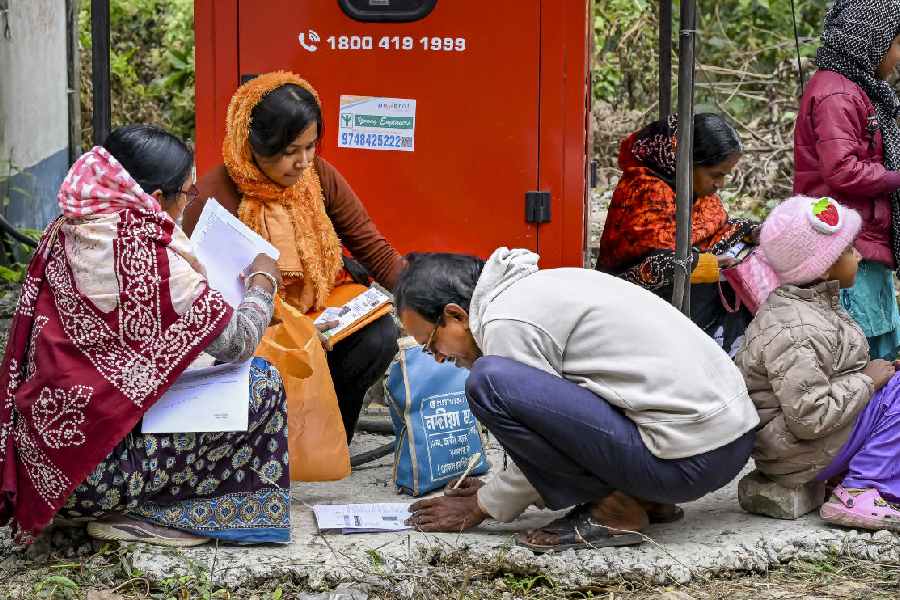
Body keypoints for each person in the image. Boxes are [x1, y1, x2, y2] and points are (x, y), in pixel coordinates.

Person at [0, 125, 290, 547]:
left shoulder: (68, 226)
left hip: (44, 464)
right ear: (155, 200)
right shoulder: (149, 262)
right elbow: (239, 341)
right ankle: (153, 514)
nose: (189, 203)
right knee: (262, 384)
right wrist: (263, 281)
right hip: (92, 478)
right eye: (187, 194)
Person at [395, 248, 758, 551]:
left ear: (455, 315)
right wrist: (502, 489)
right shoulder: (539, 287)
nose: (440, 358)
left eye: (431, 346)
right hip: (729, 444)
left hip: (687, 461)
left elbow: (546, 432)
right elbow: (564, 421)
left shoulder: (504, 323)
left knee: (488, 383)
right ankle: (642, 496)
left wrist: (484, 505)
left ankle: (615, 509)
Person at [187, 72, 403, 442]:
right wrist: (285, 328)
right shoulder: (212, 197)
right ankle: (264, 443)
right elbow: (205, 303)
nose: (303, 162)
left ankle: (328, 439)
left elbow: (374, 250)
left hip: (315, 310)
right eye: (289, 152)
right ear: (253, 142)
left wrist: (426, 298)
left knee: (378, 335)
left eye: (310, 146)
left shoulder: (317, 176)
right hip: (254, 326)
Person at [736, 195, 900, 532]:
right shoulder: (796, 329)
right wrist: (868, 382)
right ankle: (861, 488)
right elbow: (809, 416)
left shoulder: (813, 306)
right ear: (824, 265)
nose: (860, 255)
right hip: (797, 453)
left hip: (801, 445)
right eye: (850, 249)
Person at [597, 113, 757, 356]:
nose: (720, 184)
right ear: (685, 162)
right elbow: (649, 268)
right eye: (716, 175)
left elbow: (714, 231)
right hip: (633, 314)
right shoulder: (645, 193)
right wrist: (706, 265)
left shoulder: (693, 191)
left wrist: (750, 232)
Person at [793, 1, 900, 360]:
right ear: (875, 39)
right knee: (862, 351)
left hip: (864, 242)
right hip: (848, 246)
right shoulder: (837, 93)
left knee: (881, 345)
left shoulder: (855, 88)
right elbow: (841, 169)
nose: (898, 57)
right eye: (897, 44)